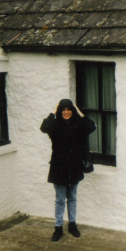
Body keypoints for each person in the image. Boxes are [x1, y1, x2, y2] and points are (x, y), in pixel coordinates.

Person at [40, 99, 96, 242]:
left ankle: (72, 225)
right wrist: (53, 111)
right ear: (60, 111)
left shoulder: (78, 125)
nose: (66, 112)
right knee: (60, 199)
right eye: (63, 109)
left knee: (72, 197)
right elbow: (43, 127)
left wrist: (79, 111)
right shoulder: (55, 125)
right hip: (59, 166)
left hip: (74, 166)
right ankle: (58, 228)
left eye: (69, 109)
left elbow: (92, 126)